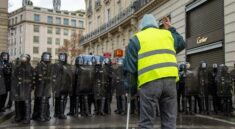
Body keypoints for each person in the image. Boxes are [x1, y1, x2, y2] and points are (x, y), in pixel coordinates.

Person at [124, 14, 185, 129]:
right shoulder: (168, 35)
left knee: (147, 123)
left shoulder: (137, 39)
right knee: (169, 122)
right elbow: (181, 43)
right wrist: (170, 28)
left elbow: (130, 69)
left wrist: (130, 90)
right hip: (170, 82)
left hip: (150, 82)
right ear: (156, 25)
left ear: (142, 26)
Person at [11, 54, 34, 124]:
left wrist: (30, 86)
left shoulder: (30, 68)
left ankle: (27, 118)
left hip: (26, 88)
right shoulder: (17, 67)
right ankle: (18, 117)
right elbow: (14, 77)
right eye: (22, 58)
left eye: (24, 58)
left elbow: (32, 78)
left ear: (28, 59)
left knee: (26, 102)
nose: (23, 59)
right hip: (18, 87)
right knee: (18, 102)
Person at [32, 52, 54, 122]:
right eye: (46, 56)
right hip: (40, 87)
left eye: (48, 57)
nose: (47, 58)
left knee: (45, 101)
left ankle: (45, 115)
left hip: (46, 87)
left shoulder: (50, 66)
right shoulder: (39, 66)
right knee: (40, 101)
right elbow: (35, 76)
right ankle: (39, 116)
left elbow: (53, 76)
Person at [53, 53, 72, 119]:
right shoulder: (56, 65)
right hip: (59, 85)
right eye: (61, 56)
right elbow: (54, 76)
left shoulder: (68, 66)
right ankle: (59, 113)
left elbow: (70, 76)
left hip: (66, 85)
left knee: (63, 99)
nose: (62, 58)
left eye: (64, 57)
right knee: (59, 99)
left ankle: (60, 113)